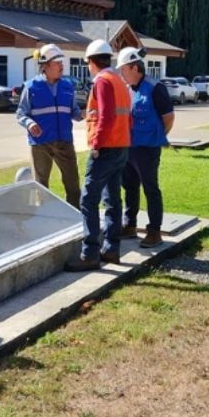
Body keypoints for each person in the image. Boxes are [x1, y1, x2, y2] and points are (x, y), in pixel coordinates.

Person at [65, 39, 132, 271]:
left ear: (91, 62)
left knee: (88, 199)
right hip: (121, 147)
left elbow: (105, 116)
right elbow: (126, 117)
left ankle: (89, 253)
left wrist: (96, 143)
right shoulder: (119, 81)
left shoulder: (102, 81)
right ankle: (111, 249)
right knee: (112, 199)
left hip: (105, 149)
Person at [115, 47, 175, 248]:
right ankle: (130, 225)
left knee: (150, 188)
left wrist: (157, 137)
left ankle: (154, 232)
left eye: (123, 69)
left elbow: (168, 118)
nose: (121, 74)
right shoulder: (127, 89)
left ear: (134, 67)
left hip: (147, 149)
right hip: (129, 148)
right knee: (129, 186)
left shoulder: (155, 88)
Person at [16, 43, 83, 205]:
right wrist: (30, 124)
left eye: (61, 62)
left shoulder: (67, 86)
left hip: (64, 142)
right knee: (41, 185)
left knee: (73, 184)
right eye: (57, 63)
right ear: (45, 66)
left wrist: (83, 114)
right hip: (40, 144)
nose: (61, 66)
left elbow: (74, 112)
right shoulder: (31, 87)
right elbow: (21, 113)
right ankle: (44, 217)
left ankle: (74, 216)